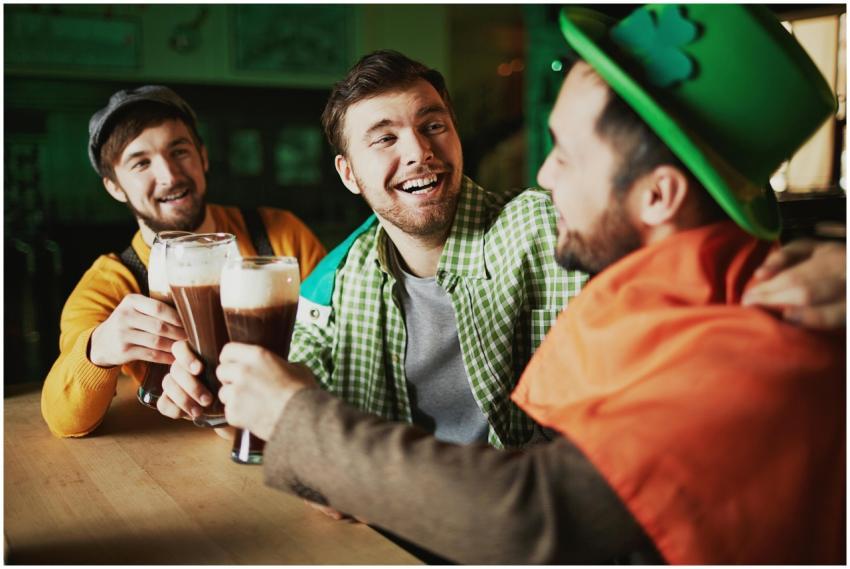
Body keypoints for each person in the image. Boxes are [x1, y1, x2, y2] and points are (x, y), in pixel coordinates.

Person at [201, 5, 844, 564]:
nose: (542, 174)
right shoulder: (659, 296)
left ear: (658, 195)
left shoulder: (744, 346)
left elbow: (533, 514)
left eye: (564, 153)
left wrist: (297, 421)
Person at [159, 50, 586, 449]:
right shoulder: (336, 283)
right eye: (384, 139)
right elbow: (285, 423)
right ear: (348, 174)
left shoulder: (550, 227)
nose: (420, 151)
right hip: (382, 523)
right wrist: (219, 406)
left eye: (433, 126)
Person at [41, 86, 326, 438]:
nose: (170, 174)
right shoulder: (112, 283)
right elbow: (63, 418)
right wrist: (97, 349)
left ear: (203, 157)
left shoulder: (282, 236)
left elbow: (339, 343)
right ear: (114, 187)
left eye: (180, 151)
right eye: (141, 162)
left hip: (287, 436)